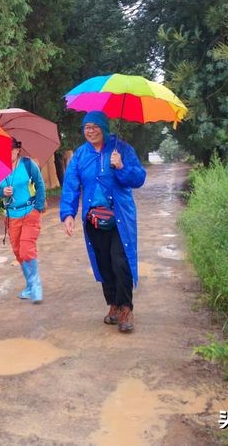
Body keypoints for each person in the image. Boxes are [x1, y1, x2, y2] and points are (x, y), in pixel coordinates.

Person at [59, 111, 146, 333]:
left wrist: (121, 167)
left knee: (120, 260)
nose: (90, 131)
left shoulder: (122, 149)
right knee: (103, 262)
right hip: (94, 219)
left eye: (95, 126)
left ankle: (126, 308)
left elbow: (138, 178)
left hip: (120, 217)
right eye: (86, 127)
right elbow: (70, 185)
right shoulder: (80, 155)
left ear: (104, 127)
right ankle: (114, 305)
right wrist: (68, 214)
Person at [0, 137, 46, 303]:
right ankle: (30, 285)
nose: (8, 153)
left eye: (11, 149)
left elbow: (40, 184)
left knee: (26, 249)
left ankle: (36, 285)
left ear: (17, 149)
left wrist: (38, 207)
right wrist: (2, 192)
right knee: (17, 251)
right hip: (12, 215)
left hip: (30, 212)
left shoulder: (28, 164)